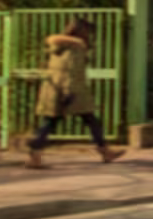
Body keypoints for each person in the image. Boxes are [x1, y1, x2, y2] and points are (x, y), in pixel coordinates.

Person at [20, 24, 123, 167]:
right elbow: (71, 71)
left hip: (54, 89)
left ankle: (35, 152)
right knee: (88, 121)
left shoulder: (59, 47)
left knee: (52, 122)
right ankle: (105, 151)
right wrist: (69, 91)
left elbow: (51, 41)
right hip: (72, 90)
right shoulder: (76, 48)